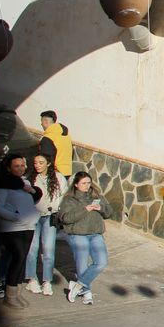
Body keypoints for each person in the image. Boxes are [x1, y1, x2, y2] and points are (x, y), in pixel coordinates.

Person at [56, 171, 114, 304]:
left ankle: (78, 285)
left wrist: (101, 208)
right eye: (83, 183)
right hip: (78, 235)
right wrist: (85, 209)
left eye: (89, 183)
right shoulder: (69, 199)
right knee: (82, 265)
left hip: (95, 234)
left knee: (101, 262)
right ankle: (86, 293)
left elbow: (109, 212)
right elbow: (66, 218)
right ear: (76, 185)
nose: (87, 186)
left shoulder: (96, 195)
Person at [0, 153, 39, 306]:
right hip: (12, 228)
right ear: (8, 168)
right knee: (17, 257)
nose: (20, 168)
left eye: (22, 165)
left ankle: (17, 292)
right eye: (16, 166)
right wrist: (16, 217)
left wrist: (32, 192)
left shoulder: (24, 183)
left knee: (23, 258)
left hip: (28, 226)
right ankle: (10, 295)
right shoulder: (4, 185)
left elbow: (32, 199)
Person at [24, 152, 64, 295]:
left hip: (49, 217)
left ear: (48, 163)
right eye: (35, 163)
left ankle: (47, 281)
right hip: (33, 217)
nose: (37, 166)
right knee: (32, 249)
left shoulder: (58, 178)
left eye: (41, 162)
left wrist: (55, 208)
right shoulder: (29, 178)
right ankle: (31, 279)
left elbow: (62, 196)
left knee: (48, 249)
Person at [36, 110, 74, 177]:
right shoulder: (67, 136)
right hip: (67, 172)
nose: (41, 124)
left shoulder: (48, 138)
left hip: (55, 174)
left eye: (42, 121)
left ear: (46, 121)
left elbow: (46, 158)